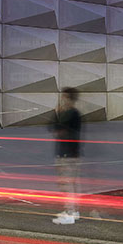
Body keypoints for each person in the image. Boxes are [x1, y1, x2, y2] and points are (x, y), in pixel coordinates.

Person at [49, 86, 82, 225]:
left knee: (67, 184)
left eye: (64, 97)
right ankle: (73, 211)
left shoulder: (72, 114)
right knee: (69, 184)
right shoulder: (71, 113)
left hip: (67, 154)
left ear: (69, 99)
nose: (62, 100)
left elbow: (57, 129)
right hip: (68, 153)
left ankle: (70, 213)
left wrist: (57, 114)